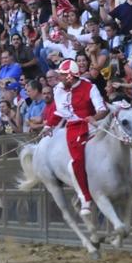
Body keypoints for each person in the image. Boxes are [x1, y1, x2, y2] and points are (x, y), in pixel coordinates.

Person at [43, 59, 108, 216]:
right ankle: (86, 197)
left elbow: (102, 109)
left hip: (93, 123)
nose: (60, 78)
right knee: (77, 160)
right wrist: (48, 126)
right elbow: (60, 112)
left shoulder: (89, 87)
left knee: (120, 139)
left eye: (63, 75)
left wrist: (94, 118)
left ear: (71, 76)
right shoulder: (59, 89)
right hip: (74, 127)